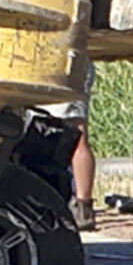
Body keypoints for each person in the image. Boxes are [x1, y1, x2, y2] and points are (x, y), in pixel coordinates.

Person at [42, 63, 96, 232]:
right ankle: (80, 206)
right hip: (60, 64)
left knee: (77, 136)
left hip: (64, 65)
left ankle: (83, 207)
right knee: (74, 136)